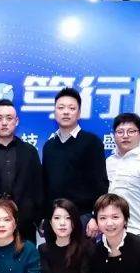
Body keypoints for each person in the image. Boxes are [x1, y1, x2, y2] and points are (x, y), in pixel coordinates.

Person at [0, 99, 43, 243]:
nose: (4, 123)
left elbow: (38, 188)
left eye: (9, 118)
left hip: (24, 227)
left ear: (16, 121)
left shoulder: (30, 152)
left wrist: (37, 218)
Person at [42, 87, 109, 234]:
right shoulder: (49, 146)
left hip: (83, 218)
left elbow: (101, 183)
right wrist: (44, 216)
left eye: (71, 108)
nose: (66, 112)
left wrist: (95, 217)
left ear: (78, 113)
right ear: (55, 112)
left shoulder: (92, 142)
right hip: (54, 219)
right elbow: (45, 185)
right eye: (61, 108)